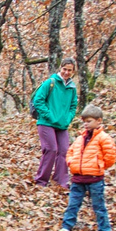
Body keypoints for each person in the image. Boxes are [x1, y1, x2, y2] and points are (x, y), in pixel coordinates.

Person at [54, 104, 116, 231]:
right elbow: (70, 152)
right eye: (84, 121)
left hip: (95, 179)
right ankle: (66, 227)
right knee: (73, 204)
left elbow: (110, 156)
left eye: (89, 121)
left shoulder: (103, 138)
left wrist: (99, 166)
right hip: (78, 179)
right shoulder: (80, 138)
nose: (86, 124)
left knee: (99, 206)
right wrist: (71, 163)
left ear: (98, 121)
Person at [33, 58, 78, 188]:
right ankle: (41, 181)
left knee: (64, 151)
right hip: (46, 123)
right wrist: (50, 116)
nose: (66, 72)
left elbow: (73, 105)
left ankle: (61, 181)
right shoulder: (50, 82)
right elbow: (38, 100)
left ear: (73, 71)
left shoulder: (72, 87)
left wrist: (68, 119)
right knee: (51, 149)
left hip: (62, 125)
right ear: (60, 68)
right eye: (64, 69)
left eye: (69, 70)